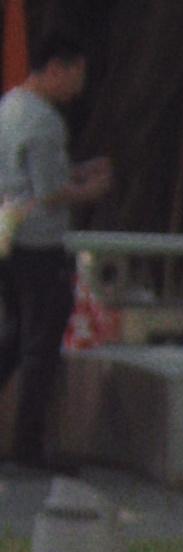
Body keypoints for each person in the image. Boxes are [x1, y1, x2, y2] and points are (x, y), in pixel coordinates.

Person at [0, 31, 109, 471]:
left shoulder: (10, 106)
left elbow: (25, 176)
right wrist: (91, 190)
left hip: (10, 239)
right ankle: (28, 446)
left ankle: (23, 442)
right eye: (77, 74)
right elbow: (49, 192)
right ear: (56, 69)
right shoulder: (45, 121)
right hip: (41, 245)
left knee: (13, 338)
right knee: (40, 347)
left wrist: (76, 171)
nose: (80, 86)